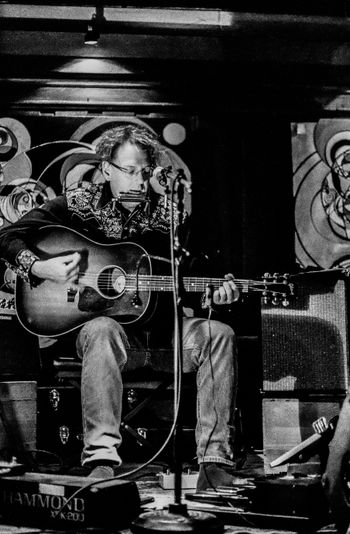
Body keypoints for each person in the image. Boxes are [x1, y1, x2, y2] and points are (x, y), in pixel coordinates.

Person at [0, 124, 240, 491]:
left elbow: (195, 280)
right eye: (128, 171)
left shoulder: (172, 219)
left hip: (165, 337)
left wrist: (214, 295)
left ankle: (214, 459)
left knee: (219, 335)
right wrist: (40, 266)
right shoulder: (77, 206)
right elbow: (7, 237)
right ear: (107, 168)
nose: (139, 182)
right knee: (101, 329)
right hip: (108, 340)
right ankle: (100, 459)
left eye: (144, 172)